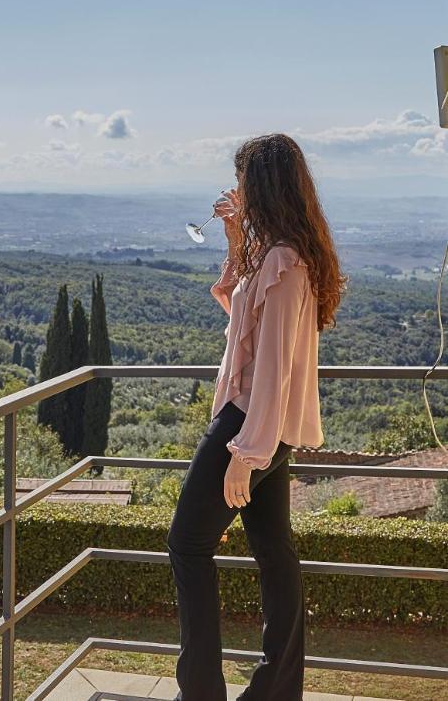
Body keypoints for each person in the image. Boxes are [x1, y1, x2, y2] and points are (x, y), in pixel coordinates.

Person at [167, 133, 348, 700]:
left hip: (250, 425)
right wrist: (234, 237)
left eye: (243, 177)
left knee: (187, 544)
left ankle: (201, 693)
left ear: (263, 185)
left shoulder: (285, 263)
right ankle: (276, 691)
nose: (236, 188)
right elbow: (237, 312)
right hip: (267, 428)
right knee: (273, 551)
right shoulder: (283, 254)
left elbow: (271, 370)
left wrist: (246, 453)